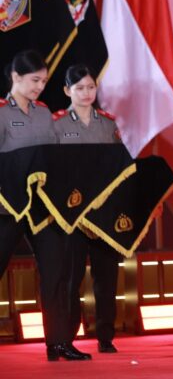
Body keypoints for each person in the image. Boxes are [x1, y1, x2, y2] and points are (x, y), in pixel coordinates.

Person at [0, 50, 91, 361]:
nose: (40, 87)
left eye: (44, 81)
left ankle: (59, 342)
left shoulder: (43, 112)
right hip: (8, 207)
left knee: (56, 272)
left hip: (43, 206)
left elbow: (55, 157)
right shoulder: (1, 113)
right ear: (16, 77)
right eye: (34, 80)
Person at [53, 64, 122, 354]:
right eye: (79, 88)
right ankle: (68, 337)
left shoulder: (107, 124)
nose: (86, 93)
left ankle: (106, 336)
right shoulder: (56, 124)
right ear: (67, 90)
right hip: (71, 215)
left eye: (91, 87)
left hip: (104, 214)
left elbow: (119, 168)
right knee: (71, 279)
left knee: (107, 277)